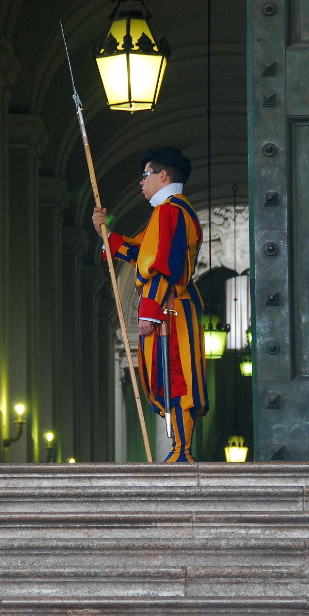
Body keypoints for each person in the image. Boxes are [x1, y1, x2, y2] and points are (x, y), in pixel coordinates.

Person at [93, 147, 207, 462]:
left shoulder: (171, 211)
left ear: (163, 175)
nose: (140, 183)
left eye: (145, 175)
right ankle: (178, 450)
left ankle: (181, 451)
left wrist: (149, 311)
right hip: (168, 306)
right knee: (166, 377)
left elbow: (163, 267)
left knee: (176, 376)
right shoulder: (165, 212)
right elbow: (139, 252)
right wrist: (106, 234)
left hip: (171, 307)